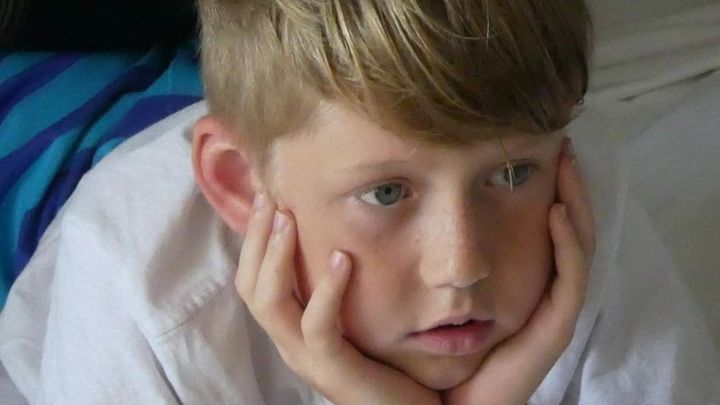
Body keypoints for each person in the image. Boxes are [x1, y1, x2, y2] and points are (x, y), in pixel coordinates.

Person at [1, 1, 718, 404]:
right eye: (386, 192)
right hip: (49, 169)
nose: (461, 266)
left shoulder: (575, 191)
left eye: (507, 176)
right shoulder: (134, 289)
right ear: (241, 186)